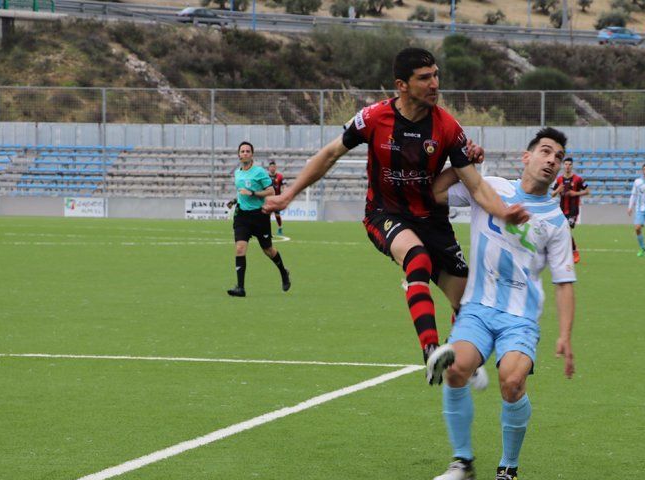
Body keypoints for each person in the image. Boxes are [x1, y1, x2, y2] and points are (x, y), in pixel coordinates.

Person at [264, 47, 528, 368]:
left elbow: (474, 184)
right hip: (384, 214)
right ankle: (430, 350)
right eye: (424, 78)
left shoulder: (447, 127)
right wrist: (289, 193)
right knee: (416, 259)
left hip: (432, 221)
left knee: (469, 303)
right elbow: (330, 154)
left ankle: (455, 357)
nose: (435, 84)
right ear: (401, 85)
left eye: (436, 75)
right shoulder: (374, 118)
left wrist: (504, 212)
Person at [427, 127, 576, 480]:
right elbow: (437, 191)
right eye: (545, 151)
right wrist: (463, 162)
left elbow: (564, 282)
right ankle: (462, 461)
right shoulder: (490, 186)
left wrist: (565, 336)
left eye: (558, 157)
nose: (551, 160)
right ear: (526, 157)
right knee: (457, 369)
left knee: (512, 381)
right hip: (477, 308)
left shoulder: (556, 223)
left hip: (520, 318)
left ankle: (508, 469)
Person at [226, 141, 291, 297]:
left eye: (248, 151)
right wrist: (234, 200)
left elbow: (271, 192)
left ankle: (283, 272)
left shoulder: (260, 172)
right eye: (242, 151)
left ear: (252, 154)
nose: (245, 153)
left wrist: (253, 193)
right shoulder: (238, 173)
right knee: (240, 248)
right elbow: (242, 192)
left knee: (268, 250)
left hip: (259, 216)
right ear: (239, 154)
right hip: (241, 216)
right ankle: (240, 288)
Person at [549, 157, 588, 263]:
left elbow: (587, 191)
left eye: (569, 164)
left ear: (572, 166)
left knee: (566, 230)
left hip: (573, 210)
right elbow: (551, 194)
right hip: (561, 210)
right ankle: (567, 252)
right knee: (562, 231)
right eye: (566, 164)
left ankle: (574, 252)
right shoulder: (559, 180)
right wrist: (558, 190)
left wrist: (576, 193)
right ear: (563, 166)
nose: (567, 166)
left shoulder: (578, 179)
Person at [268, 160, 286, 236]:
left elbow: (284, 185)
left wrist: (283, 193)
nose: (272, 168)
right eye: (271, 167)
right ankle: (267, 230)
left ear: (275, 167)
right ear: (269, 168)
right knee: (266, 215)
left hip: (277, 198)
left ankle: (280, 228)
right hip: (268, 198)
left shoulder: (280, 176)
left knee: (277, 214)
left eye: (273, 167)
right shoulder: (266, 177)